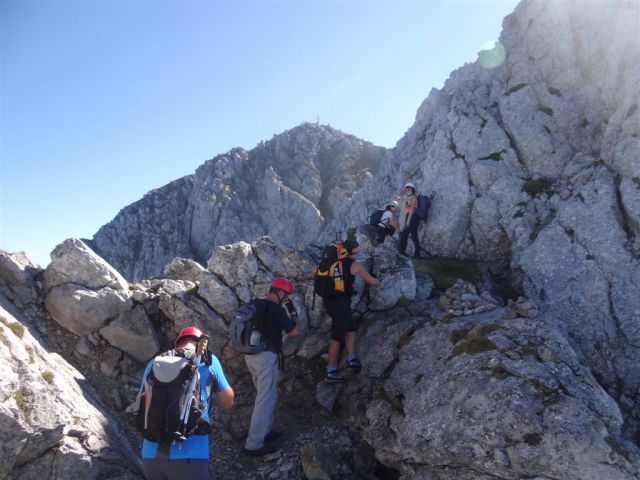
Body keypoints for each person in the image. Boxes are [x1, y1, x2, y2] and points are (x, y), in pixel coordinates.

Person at [139, 326, 234, 479]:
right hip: (191, 456)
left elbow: (142, 403)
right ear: (200, 344)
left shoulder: (154, 364)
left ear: (178, 345)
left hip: (151, 455)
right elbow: (228, 402)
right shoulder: (208, 361)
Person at [244, 277, 300, 456]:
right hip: (266, 358)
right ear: (280, 292)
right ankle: (254, 444)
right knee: (265, 399)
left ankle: (265, 431)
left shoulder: (256, 304)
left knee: (267, 395)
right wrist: (293, 316)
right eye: (286, 296)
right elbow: (294, 332)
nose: (286, 299)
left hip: (250, 355)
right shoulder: (276, 309)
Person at [324, 240, 382, 383]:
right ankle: (330, 371)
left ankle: (351, 358)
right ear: (353, 251)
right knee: (336, 337)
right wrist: (381, 282)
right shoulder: (353, 265)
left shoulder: (331, 263)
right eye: (357, 250)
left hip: (330, 303)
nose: (359, 252)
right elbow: (371, 281)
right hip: (341, 306)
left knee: (351, 326)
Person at [398, 181, 421, 258]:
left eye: (410, 189)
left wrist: (408, 221)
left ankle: (401, 252)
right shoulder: (406, 197)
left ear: (413, 190)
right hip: (410, 217)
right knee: (414, 235)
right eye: (407, 188)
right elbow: (404, 207)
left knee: (404, 234)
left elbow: (411, 210)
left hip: (412, 217)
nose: (408, 190)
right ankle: (417, 254)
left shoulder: (413, 197)